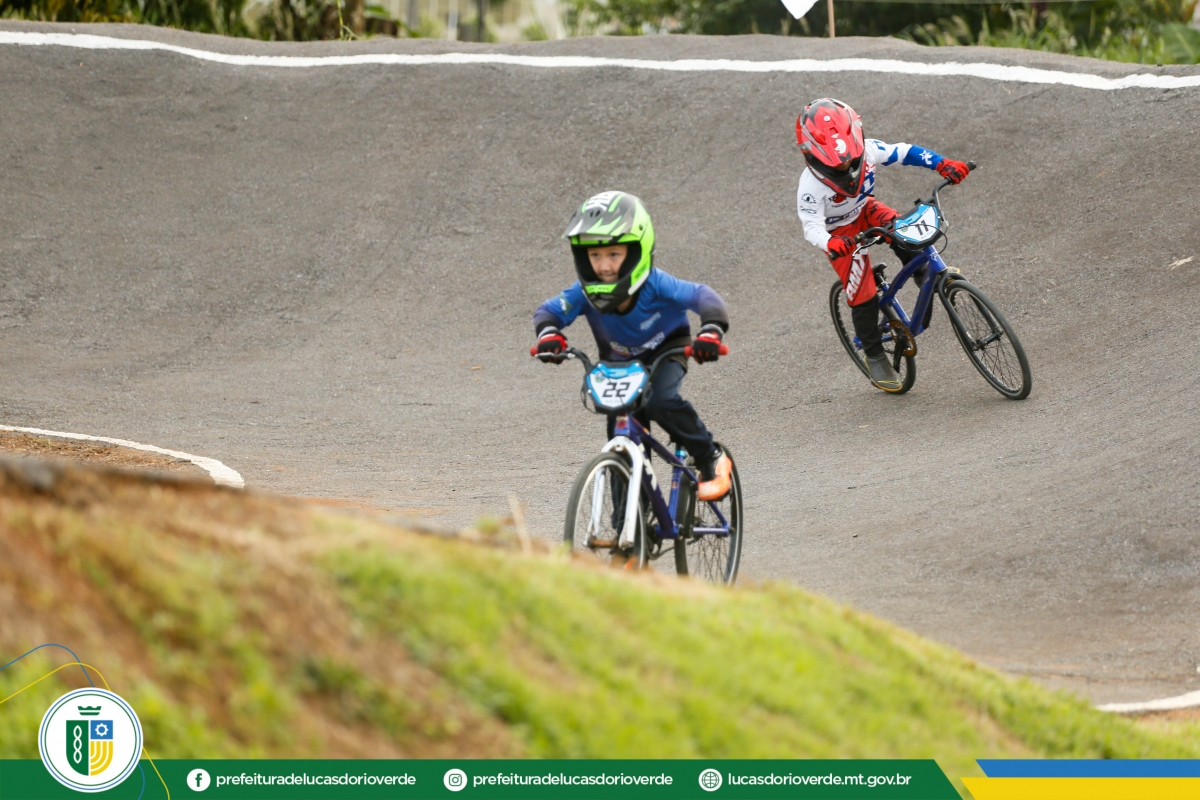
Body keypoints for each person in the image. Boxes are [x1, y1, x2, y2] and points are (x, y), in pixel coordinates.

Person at [532, 191, 732, 501]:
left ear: (637, 250)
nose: (604, 266)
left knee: (659, 402)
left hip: (666, 350)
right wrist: (548, 334)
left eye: (614, 254)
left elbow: (702, 296)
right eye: (594, 255)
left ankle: (710, 457)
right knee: (621, 440)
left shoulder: (655, 283)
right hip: (619, 364)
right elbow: (549, 311)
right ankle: (625, 521)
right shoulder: (583, 292)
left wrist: (710, 331)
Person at [796, 97, 971, 391]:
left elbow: (905, 152)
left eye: (851, 159)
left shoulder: (869, 149)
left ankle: (924, 275)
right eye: (837, 164)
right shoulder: (810, 186)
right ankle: (874, 355)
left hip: (866, 211)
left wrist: (942, 163)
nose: (847, 166)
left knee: (905, 230)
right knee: (863, 293)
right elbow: (810, 226)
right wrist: (830, 243)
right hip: (840, 235)